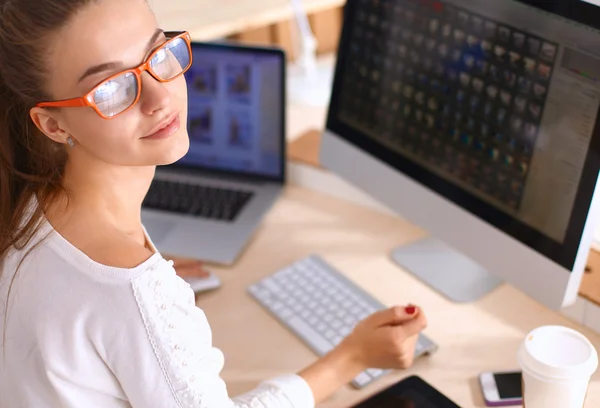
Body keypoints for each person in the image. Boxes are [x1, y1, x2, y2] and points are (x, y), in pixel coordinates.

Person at [0, 0, 428, 406]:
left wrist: (153, 309)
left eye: (158, 54)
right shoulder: (128, 289)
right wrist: (351, 357)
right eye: (112, 87)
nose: (159, 98)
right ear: (51, 124)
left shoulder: (26, 211)